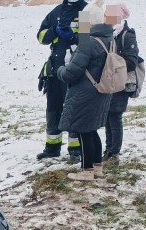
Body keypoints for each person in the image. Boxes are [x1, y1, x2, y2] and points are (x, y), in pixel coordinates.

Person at [56, 6, 113, 181]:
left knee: (82, 130)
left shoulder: (88, 42)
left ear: (89, 22)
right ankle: (97, 167)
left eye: (82, 21)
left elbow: (72, 72)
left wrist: (60, 69)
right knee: (91, 129)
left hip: (85, 93)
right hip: (100, 91)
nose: (80, 25)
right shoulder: (108, 38)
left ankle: (86, 170)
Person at [37, 0, 87, 161]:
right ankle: (52, 147)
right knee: (53, 108)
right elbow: (41, 36)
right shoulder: (56, 11)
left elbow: (89, 39)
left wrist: (73, 36)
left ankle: (76, 148)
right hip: (53, 69)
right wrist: (54, 30)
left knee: (72, 108)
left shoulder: (85, 11)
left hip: (73, 69)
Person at [102, 3, 140, 165]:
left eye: (111, 15)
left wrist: (113, 64)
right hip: (110, 83)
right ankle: (108, 150)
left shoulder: (127, 35)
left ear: (120, 16)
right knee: (108, 116)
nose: (108, 18)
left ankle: (114, 154)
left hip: (123, 84)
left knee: (115, 117)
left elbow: (132, 61)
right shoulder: (109, 34)